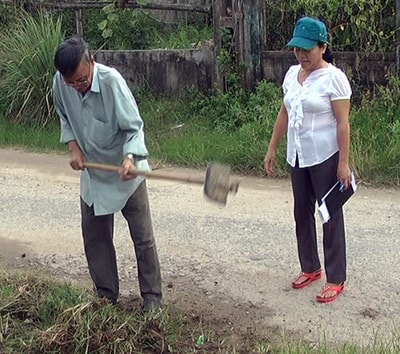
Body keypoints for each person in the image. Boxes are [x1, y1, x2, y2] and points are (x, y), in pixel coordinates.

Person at [52, 36, 162, 311]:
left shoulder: (112, 83)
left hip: (126, 171)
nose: (77, 87)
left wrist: (129, 157)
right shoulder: (61, 82)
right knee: (95, 238)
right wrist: (73, 147)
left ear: (91, 62)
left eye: (81, 80)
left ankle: (151, 298)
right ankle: (105, 296)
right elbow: (63, 114)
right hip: (93, 174)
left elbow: (134, 128)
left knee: (143, 237)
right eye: (71, 82)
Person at [264, 17, 352, 303]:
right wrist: (273, 147)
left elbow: (342, 123)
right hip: (298, 155)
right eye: (296, 49)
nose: (301, 55)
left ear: (323, 47)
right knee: (302, 213)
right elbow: (284, 114)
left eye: (307, 49)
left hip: (325, 157)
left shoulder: (334, 78)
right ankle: (310, 267)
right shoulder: (292, 75)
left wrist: (343, 163)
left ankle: (336, 277)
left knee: (329, 215)